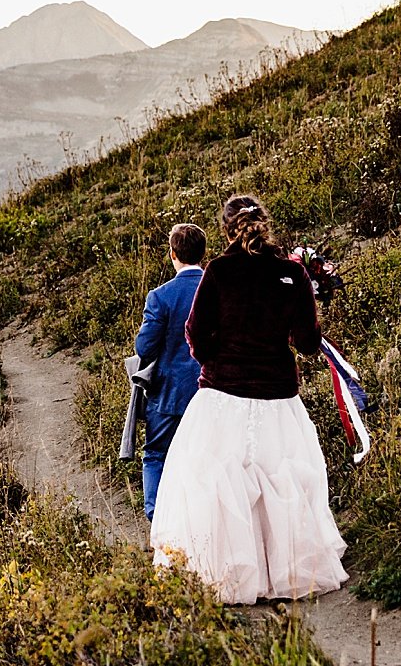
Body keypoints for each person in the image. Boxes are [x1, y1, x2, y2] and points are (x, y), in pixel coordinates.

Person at [149, 194, 346, 603]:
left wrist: (214, 362)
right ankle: (283, 570)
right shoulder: (291, 273)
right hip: (278, 395)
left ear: (225, 228)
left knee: (222, 482)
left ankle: (233, 571)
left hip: (223, 395)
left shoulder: (219, 272)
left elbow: (195, 331)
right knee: (281, 480)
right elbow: (309, 343)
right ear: (265, 224)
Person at [133, 223, 206, 520]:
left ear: (173, 254)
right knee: (203, 455)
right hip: (210, 389)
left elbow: (144, 348)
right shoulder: (216, 289)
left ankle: (157, 516)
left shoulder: (160, 296)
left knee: (156, 453)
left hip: (169, 392)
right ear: (203, 253)